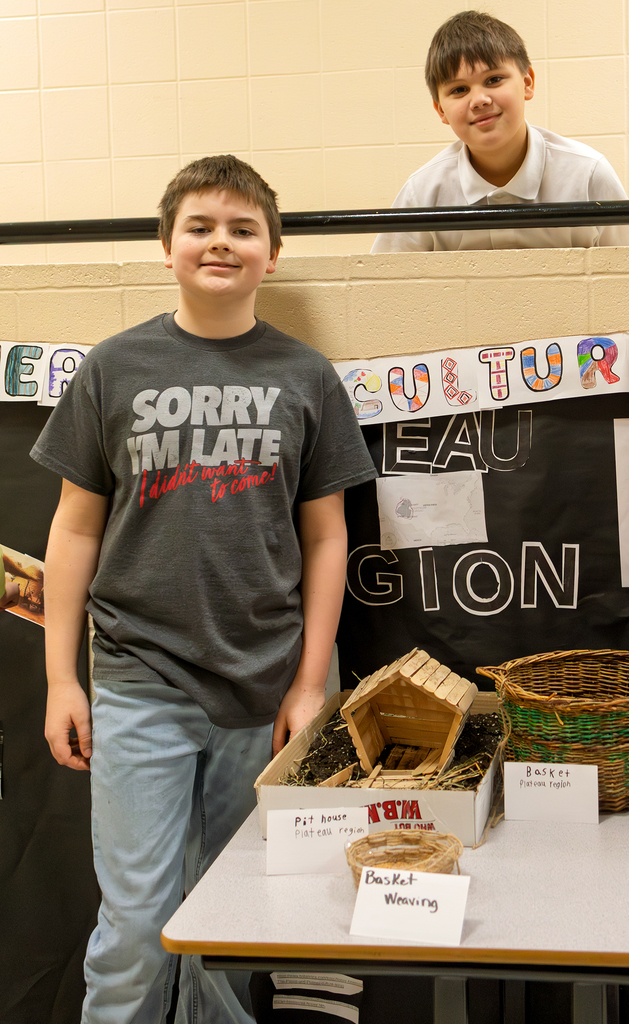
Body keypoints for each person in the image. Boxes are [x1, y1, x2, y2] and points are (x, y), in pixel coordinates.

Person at [32, 155, 377, 1024]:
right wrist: (62, 678)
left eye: (242, 228)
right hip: (139, 677)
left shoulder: (305, 377)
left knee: (234, 923)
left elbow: (329, 536)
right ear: (165, 245)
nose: (220, 242)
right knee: (140, 923)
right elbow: (73, 530)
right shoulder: (114, 368)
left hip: (264, 690)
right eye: (200, 225)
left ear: (274, 251)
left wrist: (311, 687)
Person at [371, 10, 629, 252]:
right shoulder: (422, 193)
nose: (479, 99)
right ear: (440, 109)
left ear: (527, 83)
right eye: (459, 90)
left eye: (493, 80)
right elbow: (383, 290)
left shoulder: (587, 174)